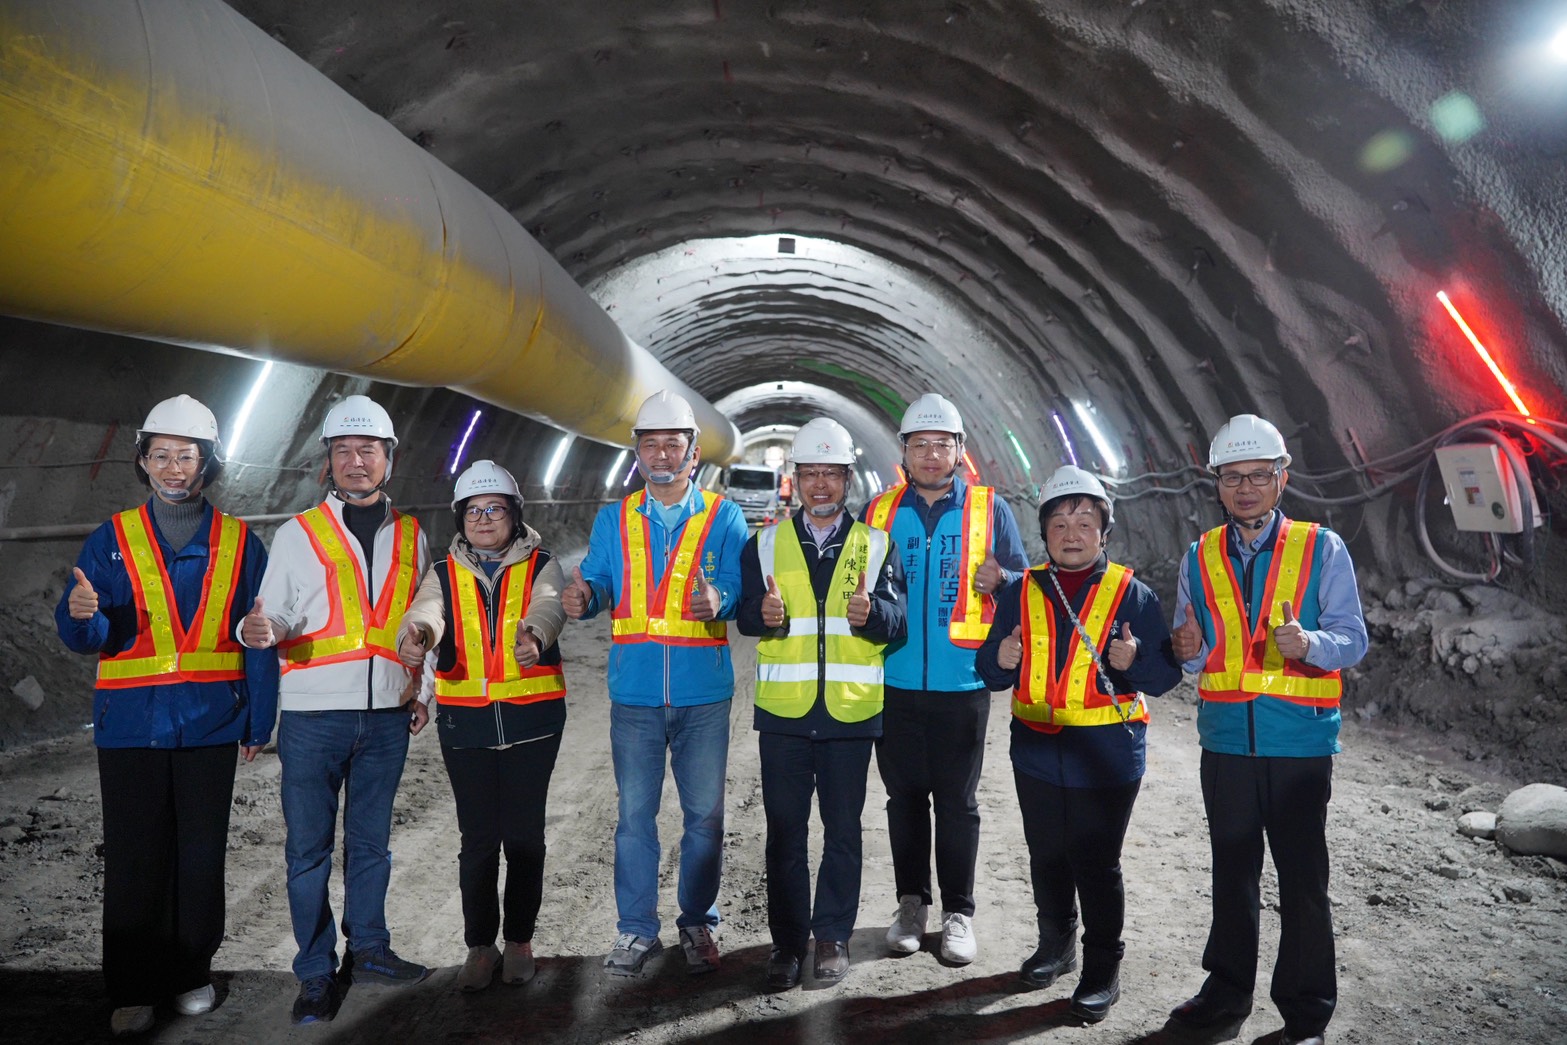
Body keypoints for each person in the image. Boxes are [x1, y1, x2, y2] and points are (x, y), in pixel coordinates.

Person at [54, 394, 277, 1038]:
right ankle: (132, 985)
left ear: (208, 463)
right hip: (129, 726)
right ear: (143, 462)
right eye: (160, 456)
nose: (173, 469)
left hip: (212, 723)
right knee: (134, 857)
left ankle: (189, 973)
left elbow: (259, 636)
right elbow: (88, 630)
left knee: (200, 856)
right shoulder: (112, 538)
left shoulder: (240, 543)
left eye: (186, 456)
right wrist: (82, 617)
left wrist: (260, 720)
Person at [1166, 414, 1368, 1045]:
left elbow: (1353, 638)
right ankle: (1226, 994)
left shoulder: (1321, 548)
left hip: (1299, 742)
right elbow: (1196, 650)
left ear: (1283, 478)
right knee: (1232, 874)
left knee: (1303, 882)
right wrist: (1186, 650)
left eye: (1258, 475)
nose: (1246, 488)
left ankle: (1305, 1015)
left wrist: (1310, 643)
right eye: (1233, 477)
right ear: (1217, 484)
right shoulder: (1199, 555)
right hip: (1226, 741)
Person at [239, 394, 432, 1025]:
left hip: (386, 716)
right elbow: (274, 612)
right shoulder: (297, 533)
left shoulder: (412, 534)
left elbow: (425, 618)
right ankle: (316, 972)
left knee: (372, 844)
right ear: (328, 460)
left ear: (388, 458)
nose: (355, 461)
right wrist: (261, 631)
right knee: (308, 851)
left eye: (367, 450)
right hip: (313, 715)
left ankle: (370, 949)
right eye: (343, 451)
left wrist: (422, 690)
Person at [976, 465, 1180, 1023]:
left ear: (1104, 532)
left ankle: (1101, 970)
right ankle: (1056, 945)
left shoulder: (1132, 594)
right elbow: (988, 671)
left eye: (1085, 522)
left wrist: (1134, 661)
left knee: (1096, 862)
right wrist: (1001, 658)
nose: (1072, 534)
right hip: (1036, 750)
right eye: (1060, 523)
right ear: (1044, 533)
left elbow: (1165, 677)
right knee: (1046, 854)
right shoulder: (1020, 590)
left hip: (1106, 755)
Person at [561, 389, 749, 977]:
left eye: (673, 443)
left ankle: (697, 922)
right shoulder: (614, 518)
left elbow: (741, 585)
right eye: (651, 444)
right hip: (636, 695)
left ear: (694, 452)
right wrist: (585, 597)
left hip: (704, 695)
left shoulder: (724, 516)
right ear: (637, 452)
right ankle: (636, 930)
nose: (662, 454)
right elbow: (597, 581)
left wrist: (723, 597)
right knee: (634, 819)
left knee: (705, 820)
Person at [736, 419, 907, 991]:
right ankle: (787, 944)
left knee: (842, 832)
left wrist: (873, 615)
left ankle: (832, 936)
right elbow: (744, 614)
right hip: (785, 714)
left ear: (847, 479)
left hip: (849, 714)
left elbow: (898, 621)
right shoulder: (764, 544)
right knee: (785, 833)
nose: (820, 485)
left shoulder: (877, 545)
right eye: (810, 473)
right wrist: (761, 614)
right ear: (796, 479)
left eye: (831, 473)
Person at [860, 392, 1028, 963]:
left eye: (942, 444)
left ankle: (959, 912)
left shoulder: (990, 509)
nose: (931, 454)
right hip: (893, 680)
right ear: (904, 452)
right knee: (903, 799)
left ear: (960, 450)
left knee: (958, 803)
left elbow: (1023, 585)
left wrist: (1003, 579)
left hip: (963, 683)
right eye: (920, 445)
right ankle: (911, 905)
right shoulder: (879, 512)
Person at [396, 461, 567, 992]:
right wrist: (417, 634)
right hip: (465, 724)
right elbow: (428, 611)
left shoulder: (543, 564)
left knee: (524, 838)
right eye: (473, 511)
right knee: (477, 840)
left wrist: (534, 636)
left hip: (532, 721)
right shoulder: (443, 571)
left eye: (495, 509)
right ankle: (479, 946)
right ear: (460, 519)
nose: (484, 519)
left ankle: (519, 942)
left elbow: (549, 606)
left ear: (515, 515)